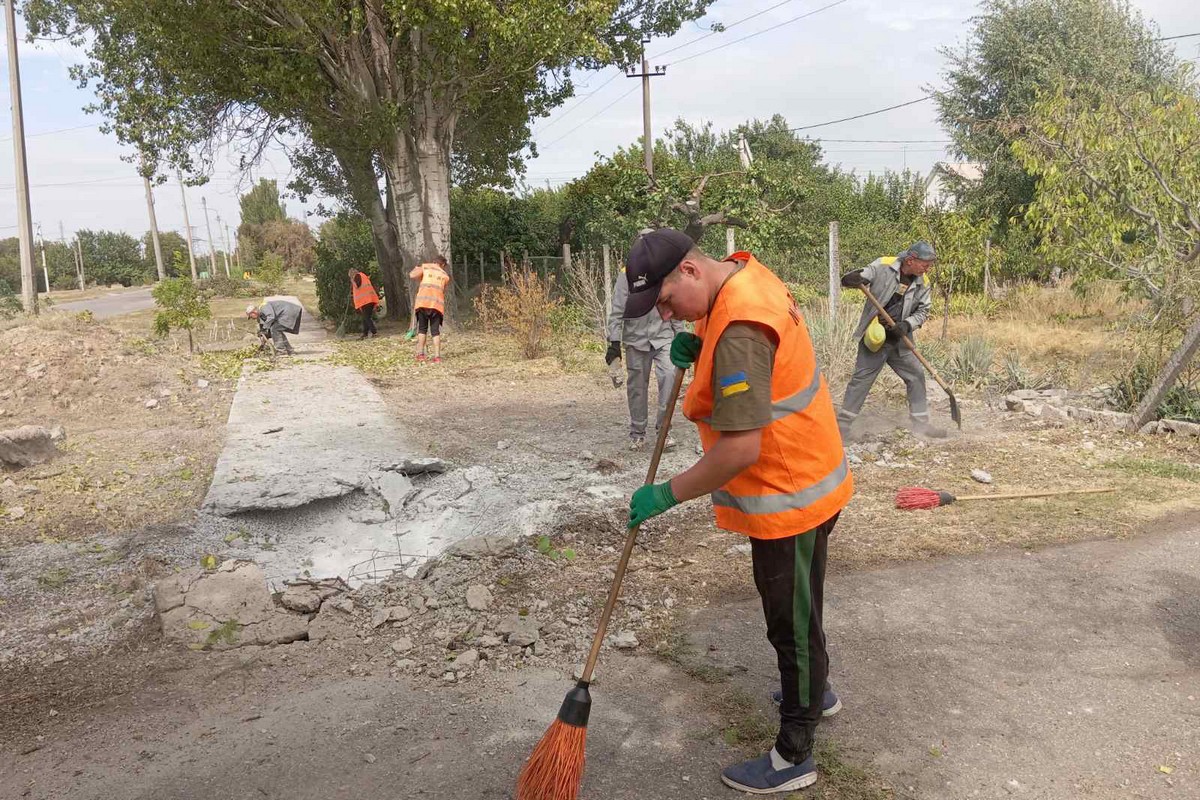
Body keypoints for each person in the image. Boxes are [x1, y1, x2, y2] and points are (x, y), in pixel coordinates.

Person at [622, 229, 854, 794]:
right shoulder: (742, 277)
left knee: (790, 623)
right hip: (810, 472)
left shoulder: (742, 328)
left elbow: (739, 449)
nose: (670, 316)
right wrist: (701, 347)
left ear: (691, 272)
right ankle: (816, 692)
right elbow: (751, 362)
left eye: (669, 303)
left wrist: (665, 495)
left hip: (787, 493)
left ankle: (794, 754)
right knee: (803, 605)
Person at [837, 241, 943, 439]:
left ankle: (921, 425)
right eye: (925, 264)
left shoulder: (923, 282)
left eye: (930, 265)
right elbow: (861, 276)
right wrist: (850, 279)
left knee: (916, 376)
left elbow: (923, 310)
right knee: (861, 380)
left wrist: (907, 325)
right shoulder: (884, 265)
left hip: (900, 338)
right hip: (875, 336)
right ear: (911, 260)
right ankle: (842, 426)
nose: (928, 268)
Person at [606, 266, 684, 450]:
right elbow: (617, 310)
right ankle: (637, 433)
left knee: (669, 378)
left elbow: (674, 306)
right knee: (637, 387)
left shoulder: (665, 270)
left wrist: (681, 336)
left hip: (662, 336)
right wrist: (614, 343)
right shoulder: (626, 275)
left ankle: (664, 432)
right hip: (635, 339)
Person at [408, 255, 450, 363]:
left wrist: (418, 267)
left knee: (422, 329)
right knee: (435, 332)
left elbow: (412, 275)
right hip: (436, 306)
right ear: (443, 264)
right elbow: (443, 290)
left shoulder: (425, 267)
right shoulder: (445, 275)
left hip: (422, 304)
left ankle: (421, 354)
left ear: (434, 261)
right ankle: (437, 357)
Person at [348, 267, 380, 339]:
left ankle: (374, 332)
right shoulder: (363, 275)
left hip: (365, 300)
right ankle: (365, 334)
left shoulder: (357, 276)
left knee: (366, 317)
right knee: (365, 317)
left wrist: (352, 281)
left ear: (352, 274)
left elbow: (357, 286)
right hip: (370, 299)